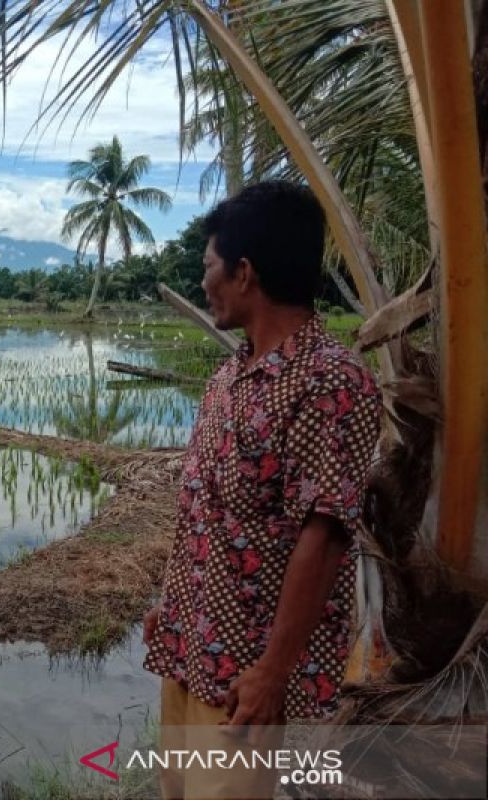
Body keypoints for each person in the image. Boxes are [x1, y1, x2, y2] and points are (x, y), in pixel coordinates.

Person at [141, 181, 382, 799]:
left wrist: (272, 672)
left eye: (208, 268)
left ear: (244, 273)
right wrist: (170, 608)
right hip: (189, 649)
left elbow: (324, 536)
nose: (203, 282)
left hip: (244, 678)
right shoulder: (228, 377)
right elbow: (204, 511)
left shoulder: (330, 382)